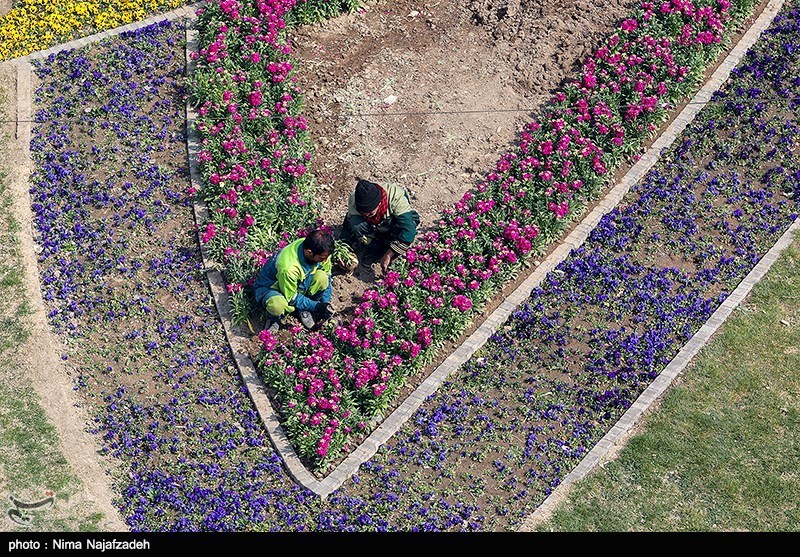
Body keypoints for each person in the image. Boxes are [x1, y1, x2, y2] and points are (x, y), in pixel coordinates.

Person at [253, 229, 336, 333]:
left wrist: (326, 303)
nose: (325, 260)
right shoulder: (288, 267)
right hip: (274, 287)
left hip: (298, 282)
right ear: (309, 252)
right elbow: (292, 297)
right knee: (277, 305)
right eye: (322, 258)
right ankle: (274, 319)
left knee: (322, 278)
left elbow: (327, 276)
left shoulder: (321, 250)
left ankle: (305, 307)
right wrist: (317, 307)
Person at [339, 178, 420, 274]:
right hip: (375, 227)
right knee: (356, 223)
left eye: (370, 213)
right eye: (363, 213)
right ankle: (375, 248)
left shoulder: (395, 197)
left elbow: (408, 230)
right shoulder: (354, 200)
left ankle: (391, 246)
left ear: (379, 203)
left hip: (392, 222)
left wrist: (389, 254)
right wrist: (342, 249)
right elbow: (348, 224)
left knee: (408, 225)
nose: (366, 215)